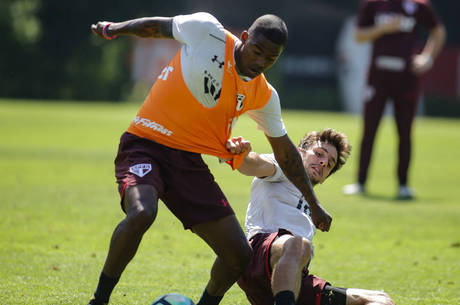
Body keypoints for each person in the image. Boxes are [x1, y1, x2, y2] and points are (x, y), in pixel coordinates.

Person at [88, 12, 333, 305]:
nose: (260, 62)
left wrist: (314, 205)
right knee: (142, 212)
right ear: (244, 37)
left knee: (238, 255)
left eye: (271, 59)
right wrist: (113, 29)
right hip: (145, 145)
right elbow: (156, 27)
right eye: (256, 51)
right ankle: (99, 301)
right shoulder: (207, 32)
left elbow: (286, 152)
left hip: (188, 163)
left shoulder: (264, 94)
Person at [235, 128, 394, 305]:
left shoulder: (312, 206)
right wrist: (241, 156)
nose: (324, 162)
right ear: (299, 150)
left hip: (293, 279)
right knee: (298, 244)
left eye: (330, 163)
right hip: (260, 255)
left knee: (381, 300)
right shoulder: (284, 166)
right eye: (319, 154)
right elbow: (254, 164)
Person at [342, 0, 446, 199]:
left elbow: (438, 31)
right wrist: (382, 28)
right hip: (378, 76)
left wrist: (428, 58)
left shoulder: (418, 6)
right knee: (370, 128)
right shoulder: (372, 5)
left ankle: (403, 185)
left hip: (406, 78)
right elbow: (359, 35)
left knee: (405, 131)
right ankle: (360, 182)